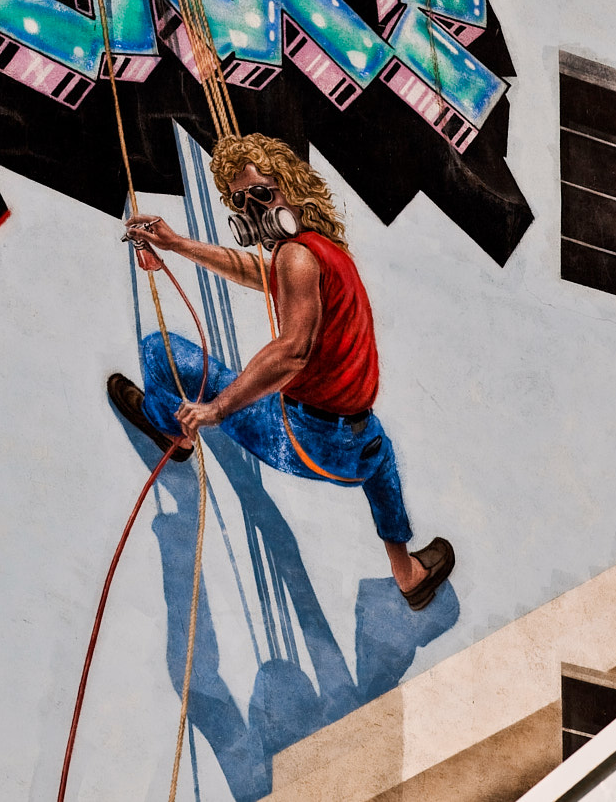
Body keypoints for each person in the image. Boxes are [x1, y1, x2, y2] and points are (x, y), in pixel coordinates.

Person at [110, 133, 455, 611]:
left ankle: (173, 433)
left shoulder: (297, 256)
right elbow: (254, 272)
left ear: (290, 188)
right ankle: (409, 574)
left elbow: (293, 351)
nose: (253, 210)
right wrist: (177, 245)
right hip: (355, 442)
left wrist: (216, 409)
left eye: (263, 194)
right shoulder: (317, 251)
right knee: (381, 458)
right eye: (241, 201)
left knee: (160, 350)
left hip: (297, 438)